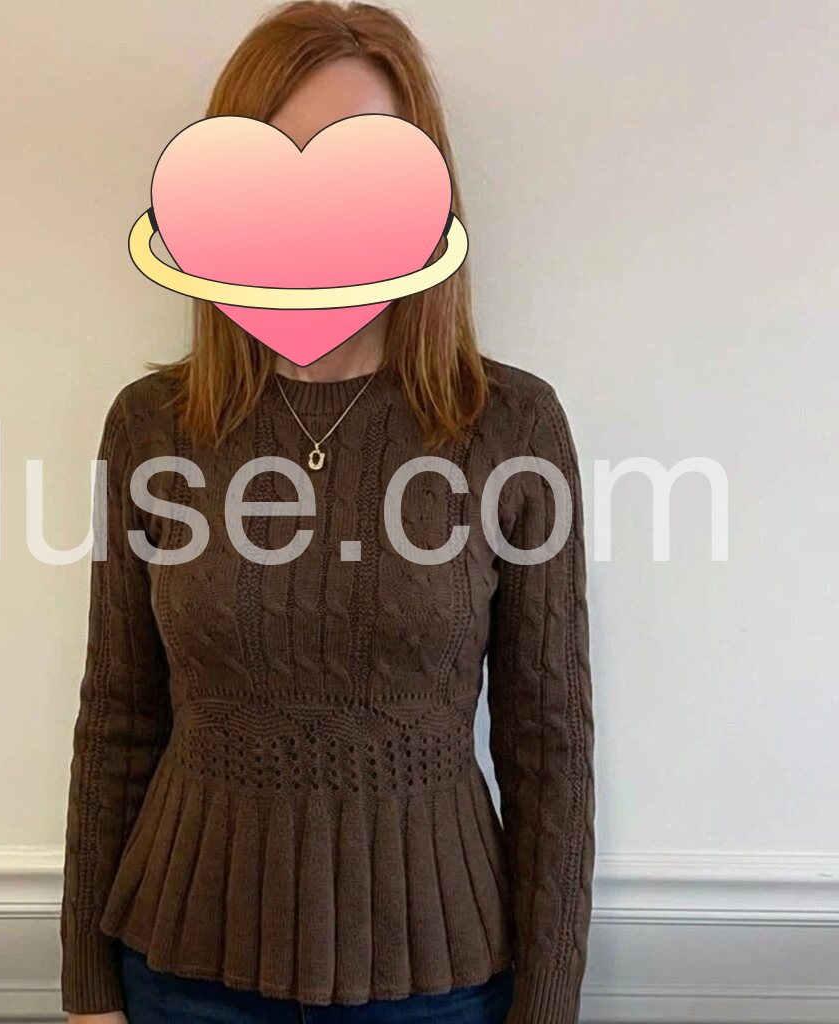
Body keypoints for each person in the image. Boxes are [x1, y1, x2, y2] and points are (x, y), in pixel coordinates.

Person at [60, 2, 595, 1023]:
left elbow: (549, 742)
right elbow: (117, 716)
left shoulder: (512, 425)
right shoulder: (153, 425)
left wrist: (549, 1004)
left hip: (440, 980)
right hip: (181, 970)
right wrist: (87, 988)